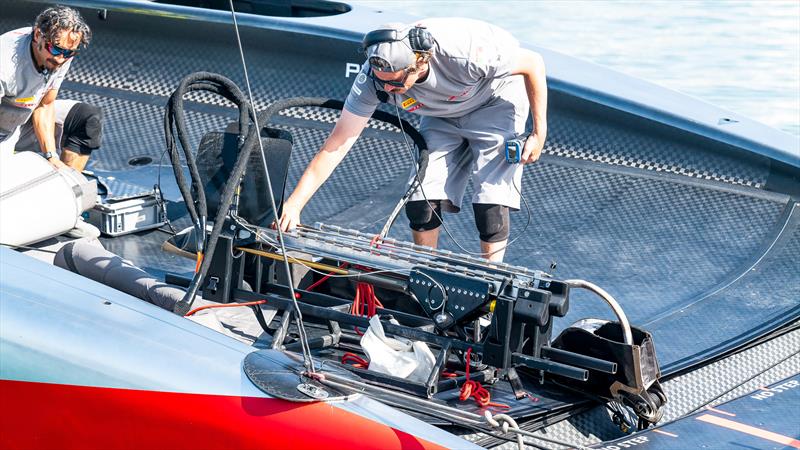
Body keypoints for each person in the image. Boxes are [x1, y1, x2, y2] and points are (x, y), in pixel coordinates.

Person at [277, 19, 547, 262]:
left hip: (494, 103)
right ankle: (424, 271)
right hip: (440, 115)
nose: (387, 90)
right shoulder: (374, 78)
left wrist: (538, 132)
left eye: (394, 83)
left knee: (491, 205)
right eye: (382, 83)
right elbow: (337, 143)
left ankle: (491, 283)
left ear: (420, 63)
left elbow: (533, 63)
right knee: (421, 203)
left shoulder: (464, 53)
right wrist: (295, 204)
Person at [1, 6, 103, 237]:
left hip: (20, 118)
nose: (61, 58)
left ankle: (67, 210)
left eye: (69, 53)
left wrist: (52, 157)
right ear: (38, 34)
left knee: (86, 117)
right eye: (56, 50)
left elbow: (45, 104)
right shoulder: (4, 61)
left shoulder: (62, 51)